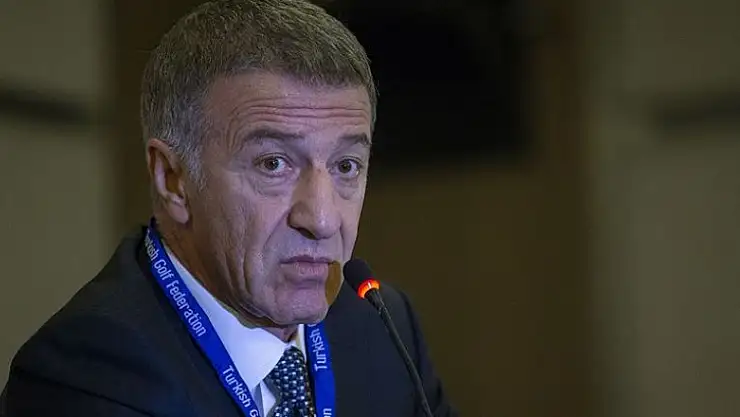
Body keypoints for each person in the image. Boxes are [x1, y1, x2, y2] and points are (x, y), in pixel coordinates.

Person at [1, 1, 457, 416]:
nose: (322, 219)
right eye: (273, 163)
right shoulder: (88, 375)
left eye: (346, 166)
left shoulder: (384, 330)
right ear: (173, 180)